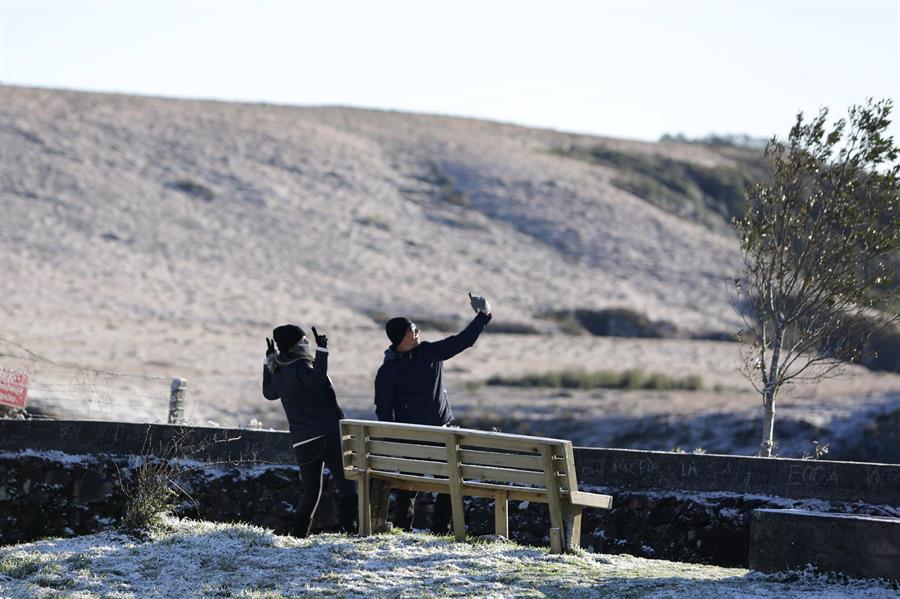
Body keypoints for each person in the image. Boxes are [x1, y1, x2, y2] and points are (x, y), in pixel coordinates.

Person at [374, 292, 493, 533]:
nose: (417, 332)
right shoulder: (389, 371)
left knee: (449, 480)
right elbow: (384, 410)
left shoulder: (428, 352)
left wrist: (483, 316)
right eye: (411, 330)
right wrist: (394, 438)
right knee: (414, 485)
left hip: (439, 431)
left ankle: (440, 528)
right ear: (400, 338)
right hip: (412, 437)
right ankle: (403, 526)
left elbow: (462, 341)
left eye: (416, 328)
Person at [262, 324, 357, 537]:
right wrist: (322, 352)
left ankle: (299, 534)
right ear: (296, 344)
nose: (307, 342)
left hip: (302, 441)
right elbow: (317, 381)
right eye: (304, 339)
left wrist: (268, 361)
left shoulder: (279, 371)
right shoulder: (302, 365)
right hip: (326, 434)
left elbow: (268, 393)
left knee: (311, 492)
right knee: (347, 483)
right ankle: (350, 528)